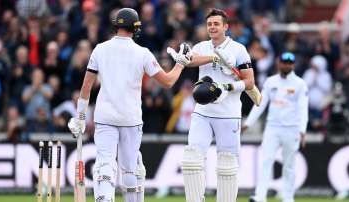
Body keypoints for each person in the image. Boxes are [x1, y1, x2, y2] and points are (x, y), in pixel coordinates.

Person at [67, 8, 191, 202]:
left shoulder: (100, 49)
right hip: (130, 118)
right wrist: (181, 64)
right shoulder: (142, 53)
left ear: (116, 25)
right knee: (131, 168)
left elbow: (86, 86)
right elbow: (168, 81)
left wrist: (81, 117)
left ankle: (104, 199)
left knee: (105, 165)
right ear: (135, 28)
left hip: (105, 116)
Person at [169, 8, 255, 202]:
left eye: (216, 24)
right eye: (209, 24)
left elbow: (249, 83)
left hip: (229, 114)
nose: (212, 27)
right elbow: (191, 60)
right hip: (203, 112)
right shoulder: (202, 46)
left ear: (226, 26)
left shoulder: (238, 49)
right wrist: (215, 57)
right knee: (191, 158)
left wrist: (227, 86)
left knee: (227, 164)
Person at [243, 52, 309, 202]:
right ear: (278, 63)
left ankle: (288, 197)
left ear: (293, 65)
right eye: (284, 62)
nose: (286, 65)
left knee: (289, 166)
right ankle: (260, 196)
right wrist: (248, 123)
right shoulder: (270, 82)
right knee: (266, 161)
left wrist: (302, 131)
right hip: (272, 128)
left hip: (292, 129)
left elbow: (303, 108)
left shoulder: (300, 84)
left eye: (289, 62)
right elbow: (260, 103)